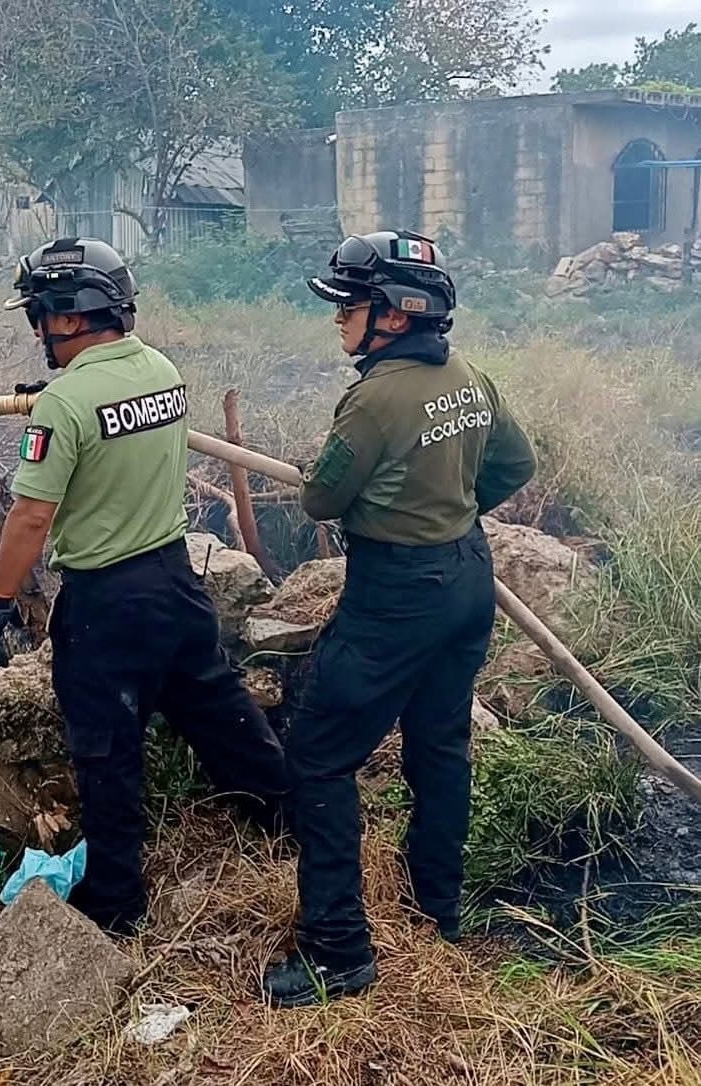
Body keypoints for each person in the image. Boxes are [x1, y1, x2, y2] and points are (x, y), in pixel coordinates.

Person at [0, 237, 288, 936]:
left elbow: (30, 515)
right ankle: (288, 817)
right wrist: (58, 402)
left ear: (64, 317)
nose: (35, 331)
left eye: (39, 316)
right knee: (217, 712)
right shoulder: (161, 370)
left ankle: (115, 904)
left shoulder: (66, 405)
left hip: (105, 603)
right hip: (174, 582)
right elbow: (110, 421)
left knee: (105, 749)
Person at [262, 230, 536, 1007]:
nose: (337, 319)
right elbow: (515, 464)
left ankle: (338, 955)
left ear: (392, 314)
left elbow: (321, 498)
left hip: (396, 598)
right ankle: (435, 910)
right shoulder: (466, 374)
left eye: (348, 305)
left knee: (316, 760)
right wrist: (446, 512)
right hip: (465, 579)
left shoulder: (375, 397)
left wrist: (401, 516)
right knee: (439, 747)